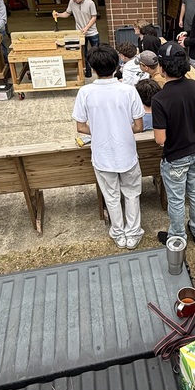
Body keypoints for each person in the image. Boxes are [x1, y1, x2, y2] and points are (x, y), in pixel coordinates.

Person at [72, 43, 145, 250]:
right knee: (131, 193)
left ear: (92, 68)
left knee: (111, 196)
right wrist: (120, 129)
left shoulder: (85, 92)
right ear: (117, 65)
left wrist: (100, 130)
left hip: (102, 155)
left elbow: (81, 126)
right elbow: (138, 126)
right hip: (127, 153)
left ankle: (118, 232)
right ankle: (133, 233)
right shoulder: (128, 91)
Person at [151, 41, 195, 245]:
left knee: (177, 198)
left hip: (176, 155)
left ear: (161, 67)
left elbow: (160, 139)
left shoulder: (160, 99)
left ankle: (177, 236)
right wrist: (189, 118)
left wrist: (176, 123)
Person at [53, 0, 99, 77]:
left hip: (92, 32)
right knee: (84, 52)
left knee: (97, 52)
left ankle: (98, 70)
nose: (74, 2)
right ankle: (88, 71)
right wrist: (58, 15)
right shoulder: (71, 2)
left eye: (75, 0)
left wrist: (86, 28)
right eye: (73, 0)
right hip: (80, 33)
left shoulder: (90, 3)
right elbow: (67, 13)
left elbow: (94, 17)